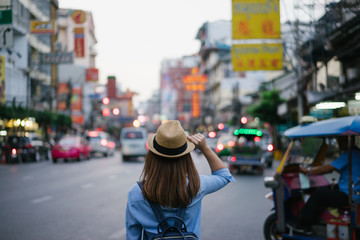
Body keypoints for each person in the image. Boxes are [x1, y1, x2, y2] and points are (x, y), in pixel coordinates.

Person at [126, 120, 235, 239]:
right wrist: (205, 148)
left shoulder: (137, 193)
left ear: (152, 157)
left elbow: (132, 237)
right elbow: (224, 175)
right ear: (186, 158)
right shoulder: (196, 186)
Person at [294, 136, 360, 234]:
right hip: (354, 191)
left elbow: (328, 168)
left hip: (349, 195)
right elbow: (339, 168)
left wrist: (307, 170)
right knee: (324, 189)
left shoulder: (349, 154)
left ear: (347, 140)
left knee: (318, 196)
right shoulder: (356, 153)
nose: (339, 143)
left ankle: (303, 225)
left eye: (340, 140)